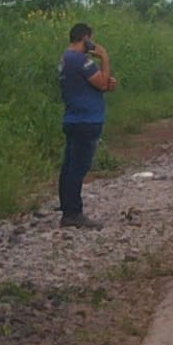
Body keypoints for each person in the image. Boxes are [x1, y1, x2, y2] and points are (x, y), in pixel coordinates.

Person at [56, 23, 114, 228]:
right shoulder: (81, 60)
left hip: (73, 118)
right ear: (86, 38)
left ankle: (67, 208)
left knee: (69, 167)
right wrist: (104, 57)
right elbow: (101, 82)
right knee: (78, 168)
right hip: (86, 120)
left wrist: (106, 82)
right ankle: (73, 213)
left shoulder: (65, 59)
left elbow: (101, 84)